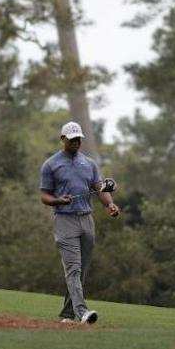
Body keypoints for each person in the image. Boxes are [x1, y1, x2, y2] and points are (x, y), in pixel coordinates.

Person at [39, 121, 120, 324]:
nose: (76, 142)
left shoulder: (89, 164)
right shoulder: (51, 165)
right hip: (65, 220)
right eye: (72, 139)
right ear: (63, 139)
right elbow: (44, 196)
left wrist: (109, 205)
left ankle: (67, 314)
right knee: (73, 268)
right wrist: (58, 200)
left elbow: (100, 189)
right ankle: (82, 312)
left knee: (82, 270)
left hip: (87, 220)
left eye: (79, 139)